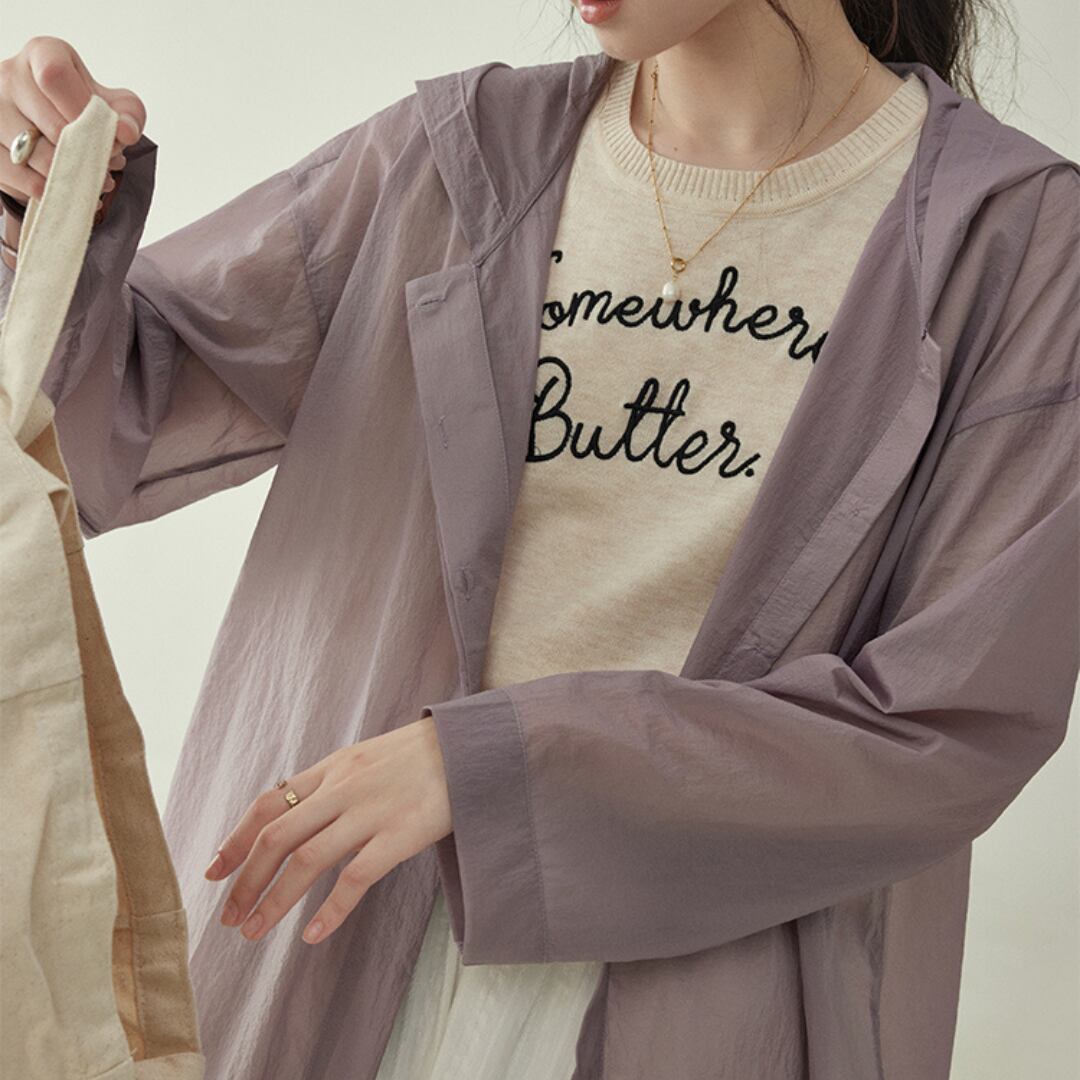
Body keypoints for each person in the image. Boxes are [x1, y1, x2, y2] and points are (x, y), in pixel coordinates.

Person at [1, 3, 1077, 1079]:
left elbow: (946, 722)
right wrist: (39, 214)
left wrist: (488, 766)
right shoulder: (460, 158)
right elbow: (96, 424)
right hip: (324, 950)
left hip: (717, 1002)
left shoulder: (1014, 242)